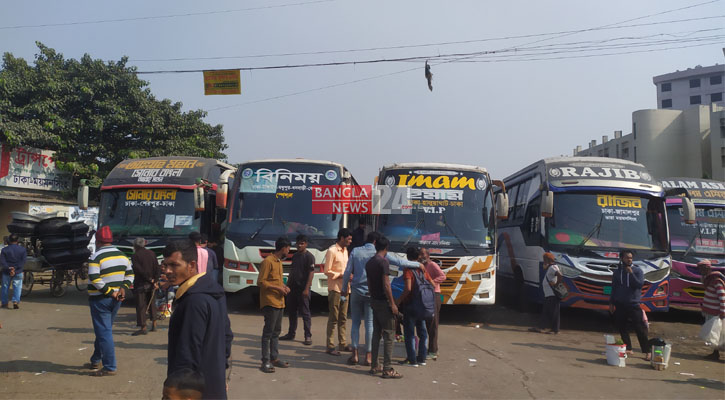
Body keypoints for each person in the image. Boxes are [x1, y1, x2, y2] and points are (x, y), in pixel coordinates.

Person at [163, 239, 233, 399]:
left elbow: (187, 355)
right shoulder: (214, 292)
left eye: (174, 265)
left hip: (193, 392)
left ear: (192, 265)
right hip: (213, 386)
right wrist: (220, 375)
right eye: (165, 265)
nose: (167, 271)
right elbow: (227, 337)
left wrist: (176, 394)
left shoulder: (194, 301)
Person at [341, 231, 422, 366]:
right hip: (372, 293)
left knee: (355, 322)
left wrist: (344, 289)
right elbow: (400, 262)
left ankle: (354, 354)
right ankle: (368, 356)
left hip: (356, 291)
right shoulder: (380, 254)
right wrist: (419, 265)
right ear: (375, 242)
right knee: (369, 324)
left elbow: (347, 272)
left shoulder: (355, 251)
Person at [86, 226, 134, 376]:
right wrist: (122, 288)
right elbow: (130, 275)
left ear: (98, 241)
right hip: (117, 299)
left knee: (104, 332)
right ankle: (96, 359)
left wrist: (109, 292)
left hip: (101, 299)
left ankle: (109, 367)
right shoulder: (123, 256)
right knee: (104, 330)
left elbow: (94, 278)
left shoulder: (96, 257)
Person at [365, 236, 402, 379]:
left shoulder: (370, 263)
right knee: (389, 335)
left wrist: (373, 295)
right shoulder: (384, 263)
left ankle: (374, 365)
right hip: (384, 302)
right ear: (386, 247)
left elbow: (368, 282)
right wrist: (392, 304)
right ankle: (387, 369)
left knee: (376, 334)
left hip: (374, 301)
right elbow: (387, 285)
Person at [396, 247, 436, 367]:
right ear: (418, 256)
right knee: (422, 332)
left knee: (409, 333)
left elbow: (408, 288)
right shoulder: (422, 269)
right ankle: (422, 358)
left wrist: (398, 301)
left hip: (411, 305)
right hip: (423, 305)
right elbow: (433, 284)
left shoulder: (408, 270)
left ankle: (412, 359)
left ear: (407, 257)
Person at [609, 250, 651, 360]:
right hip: (620, 303)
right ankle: (628, 347)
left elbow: (639, 284)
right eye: (627, 258)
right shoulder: (617, 272)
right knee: (622, 327)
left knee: (639, 328)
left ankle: (647, 351)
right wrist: (611, 303)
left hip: (633, 304)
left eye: (631, 258)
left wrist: (631, 273)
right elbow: (614, 288)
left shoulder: (637, 270)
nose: (629, 260)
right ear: (622, 258)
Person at [258, 237, 291, 373]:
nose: (289, 250)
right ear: (283, 248)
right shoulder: (268, 261)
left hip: (280, 302)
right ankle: (265, 361)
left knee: (276, 332)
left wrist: (284, 287)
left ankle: (274, 358)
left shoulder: (279, 262)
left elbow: (276, 280)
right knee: (268, 333)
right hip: (270, 301)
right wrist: (278, 289)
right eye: (288, 248)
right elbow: (261, 282)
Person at [280, 235, 314, 345]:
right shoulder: (294, 256)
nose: (299, 245)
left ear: (306, 244)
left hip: (303, 289)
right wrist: (287, 285)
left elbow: (311, 273)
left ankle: (307, 336)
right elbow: (292, 271)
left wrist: (306, 289)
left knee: (305, 313)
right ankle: (291, 333)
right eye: (298, 243)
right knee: (291, 312)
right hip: (293, 288)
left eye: (302, 243)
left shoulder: (309, 257)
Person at [324, 228, 353, 355]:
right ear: (342, 238)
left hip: (345, 288)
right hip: (335, 289)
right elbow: (327, 271)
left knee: (343, 318)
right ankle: (330, 345)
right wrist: (341, 275)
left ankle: (342, 343)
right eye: (349, 239)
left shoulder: (346, 251)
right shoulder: (332, 251)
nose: (350, 241)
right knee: (333, 318)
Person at [420, 248, 446, 359]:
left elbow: (443, 276)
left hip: (434, 294)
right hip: (425, 294)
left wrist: (431, 282)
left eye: (422, 254)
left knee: (433, 324)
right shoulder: (421, 266)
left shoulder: (432, 265)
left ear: (427, 255)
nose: (420, 256)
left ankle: (433, 350)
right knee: (426, 323)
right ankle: (427, 348)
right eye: (420, 254)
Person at [131, 237, 160, 336]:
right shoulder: (152, 253)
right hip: (152, 283)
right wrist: (155, 280)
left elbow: (139, 270)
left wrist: (150, 279)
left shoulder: (135, 256)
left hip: (141, 283)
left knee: (141, 305)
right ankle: (154, 324)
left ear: (135, 245)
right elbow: (157, 267)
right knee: (152, 303)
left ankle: (143, 327)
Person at [698, 260, 725, 360]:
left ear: (708, 268)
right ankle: (715, 353)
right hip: (711, 312)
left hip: (717, 313)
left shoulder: (716, 280)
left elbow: (722, 297)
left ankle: (716, 353)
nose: (700, 271)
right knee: (714, 335)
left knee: (719, 334)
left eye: (701, 269)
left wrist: (723, 312)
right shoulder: (709, 279)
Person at [529, 252, 562, 334]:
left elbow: (560, 275)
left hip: (552, 294)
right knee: (546, 311)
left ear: (547, 259)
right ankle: (541, 327)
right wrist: (545, 263)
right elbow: (544, 268)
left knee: (554, 313)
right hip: (549, 294)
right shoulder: (551, 267)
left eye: (544, 259)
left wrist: (556, 284)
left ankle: (555, 330)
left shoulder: (552, 267)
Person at [1, 234, 27, 309]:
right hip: (18, 271)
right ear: (17, 240)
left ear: (9, 240)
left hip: (6, 271)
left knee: (5, 287)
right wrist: (15, 268)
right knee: (17, 287)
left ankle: (4, 303)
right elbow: (23, 261)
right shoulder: (22, 249)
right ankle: (15, 301)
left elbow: (2, 262)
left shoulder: (4, 250)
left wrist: (10, 268)